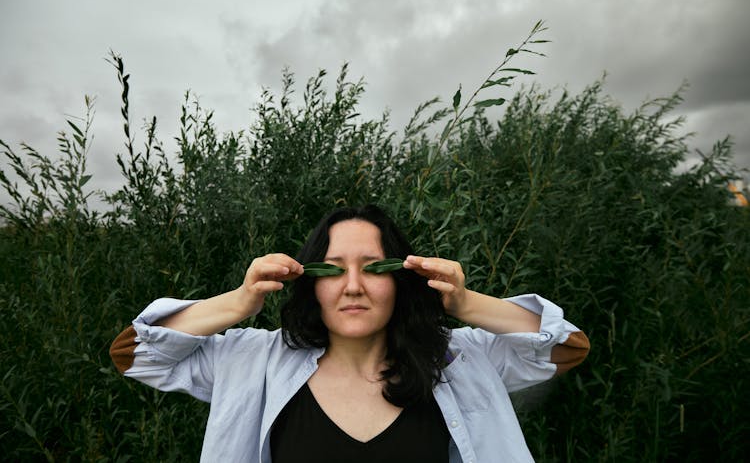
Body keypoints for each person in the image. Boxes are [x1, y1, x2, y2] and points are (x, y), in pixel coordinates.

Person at [110, 205, 590, 462]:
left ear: (399, 278)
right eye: (334, 269)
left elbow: (566, 347)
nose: (354, 287)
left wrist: (467, 303)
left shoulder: (455, 359)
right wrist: (240, 301)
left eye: (372, 268)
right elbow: (136, 355)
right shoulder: (252, 360)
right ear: (311, 281)